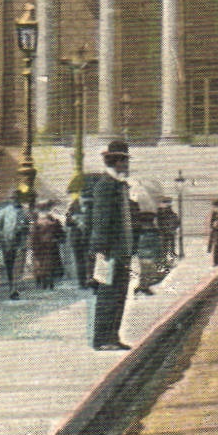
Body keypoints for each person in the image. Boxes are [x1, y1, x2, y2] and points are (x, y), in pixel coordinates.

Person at [83, 140, 134, 350]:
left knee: (119, 295)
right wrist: (100, 251)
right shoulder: (105, 185)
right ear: (117, 161)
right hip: (110, 252)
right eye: (125, 160)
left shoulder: (118, 184)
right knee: (108, 295)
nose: (127, 165)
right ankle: (102, 339)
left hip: (121, 251)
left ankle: (112, 337)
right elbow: (101, 221)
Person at [0, 191, 29, 300]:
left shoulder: (24, 211)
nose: (15, 200)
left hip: (20, 244)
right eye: (13, 198)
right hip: (8, 243)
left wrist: (24, 238)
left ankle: (14, 289)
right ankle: (12, 289)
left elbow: (27, 228)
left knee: (18, 268)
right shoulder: (6, 211)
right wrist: (1, 238)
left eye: (17, 198)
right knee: (9, 267)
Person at [29, 202, 66, 289]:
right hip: (51, 246)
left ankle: (42, 281)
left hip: (40, 247)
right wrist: (58, 239)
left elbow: (33, 236)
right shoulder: (54, 221)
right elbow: (61, 234)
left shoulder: (36, 223)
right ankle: (50, 282)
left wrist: (33, 246)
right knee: (51, 264)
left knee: (41, 264)